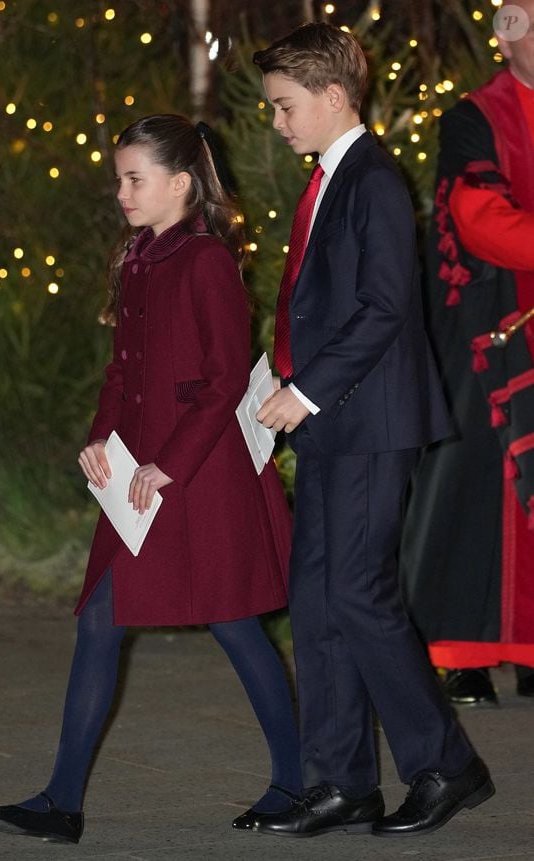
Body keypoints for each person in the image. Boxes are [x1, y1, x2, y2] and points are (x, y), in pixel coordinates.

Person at [0, 114, 303, 844]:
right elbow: (123, 372)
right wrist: (101, 439)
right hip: (140, 475)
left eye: (135, 178)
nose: (121, 191)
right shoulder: (136, 258)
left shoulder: (207, 260)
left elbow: (224, 384)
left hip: (202, 473)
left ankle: (296, 777)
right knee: (99, 617)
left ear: (181, 183)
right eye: (119, 177)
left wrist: (170, 463)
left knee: (234, 621)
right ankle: (62, 801)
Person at [250, 23, 494, 839]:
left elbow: (386, 306)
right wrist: (284, 379)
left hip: (366, 419)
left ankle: (445, 764)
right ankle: (342, 780)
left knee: (358, 593)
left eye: (285, 107)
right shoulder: (331, 178)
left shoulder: (374, 181)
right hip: (334, 419)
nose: (277, 123)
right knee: (317, 600)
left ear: (331, 96)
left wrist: (306, 389)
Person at [400, 1, 534, 707]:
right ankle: (464, 655)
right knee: (472, 484)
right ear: (506, 35)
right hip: (490, 328)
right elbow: (479, 219)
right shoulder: (474, 116)